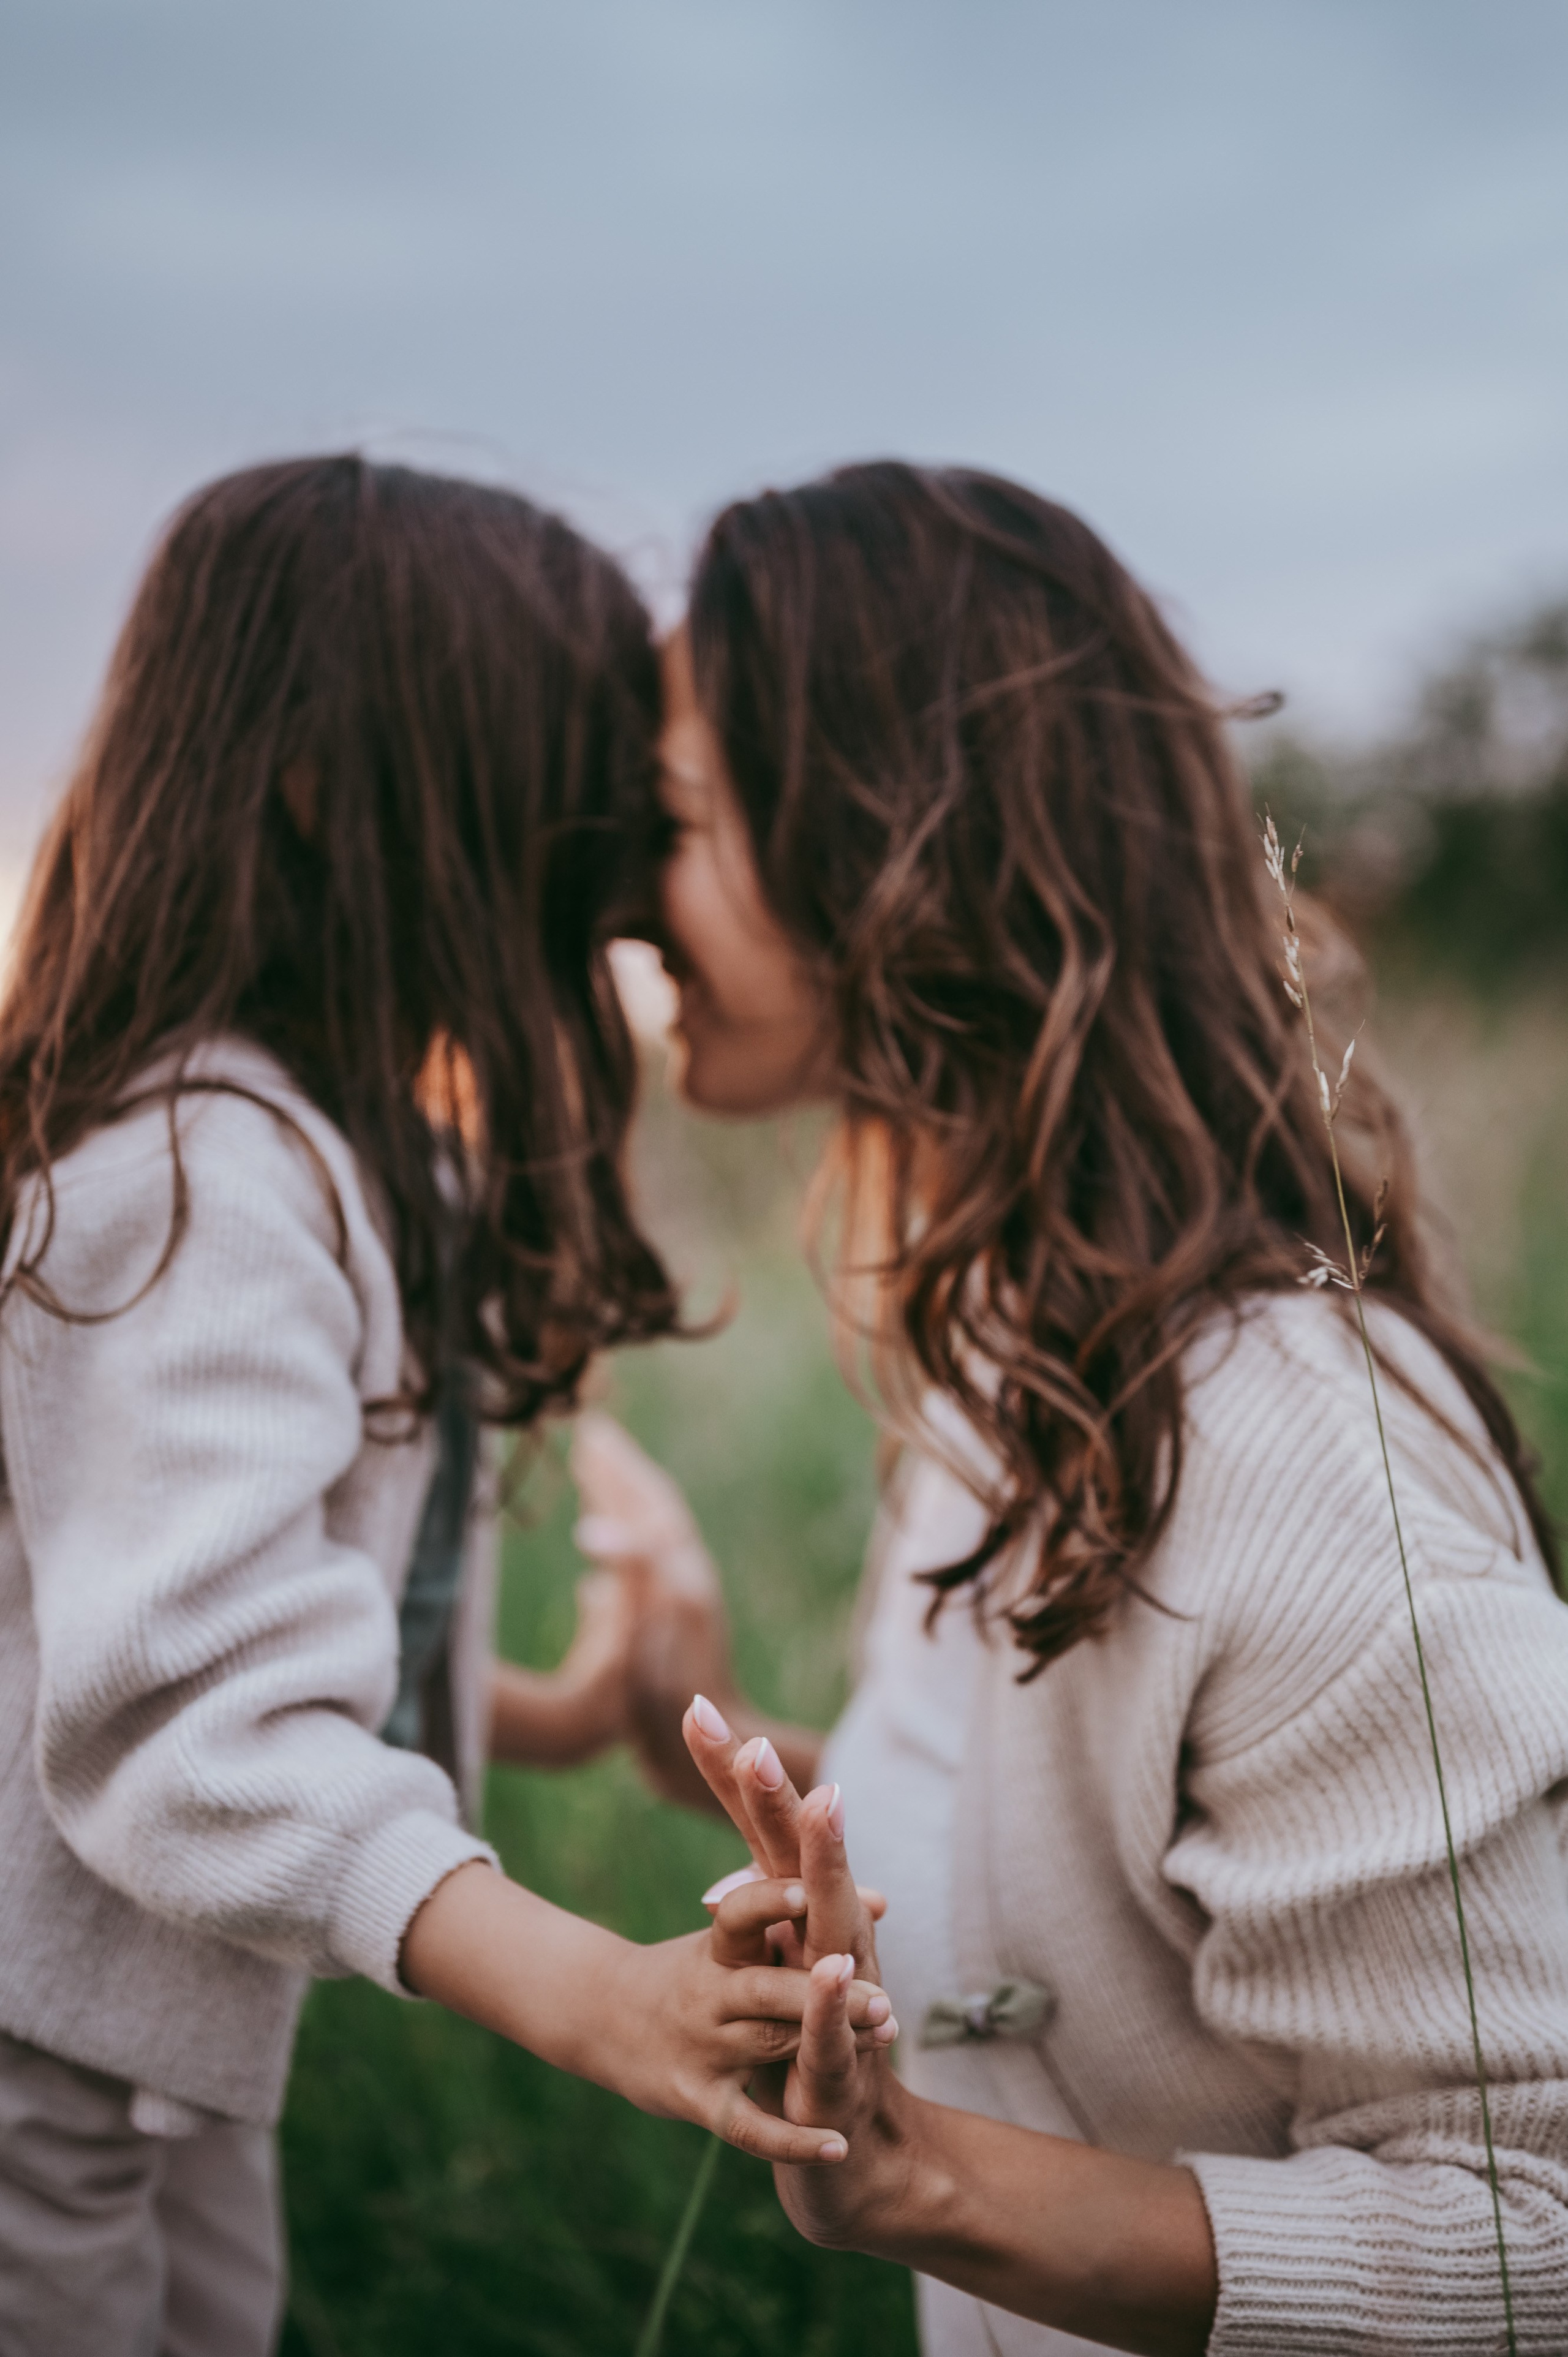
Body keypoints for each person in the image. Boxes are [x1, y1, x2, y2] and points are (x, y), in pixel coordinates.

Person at [573, 462, 1568, 2353]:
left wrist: (916, 2181)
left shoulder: (1285, 1458)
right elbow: (1097, 1912)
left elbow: (1535, 2233)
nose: (622, 890)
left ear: (884, 846)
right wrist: (700, 1739)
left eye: (676, 817)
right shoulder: (1004, 1361)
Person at [0, 456, 892, 2357]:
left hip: (125, 2041)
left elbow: (212, 1625)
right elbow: (183, 1710)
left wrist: (559, 1714)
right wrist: (601, 1997)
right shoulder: (200, 1170)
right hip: (31, 2062)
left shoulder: (341, 1153)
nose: (624, 866)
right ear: (341, 783)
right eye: (568, 779)